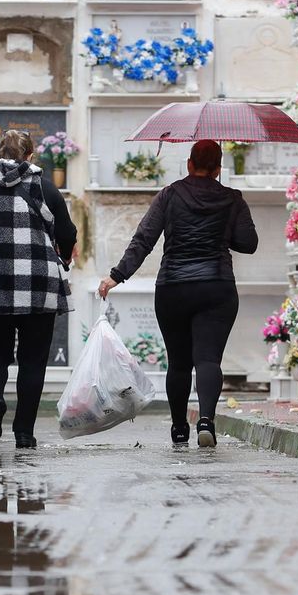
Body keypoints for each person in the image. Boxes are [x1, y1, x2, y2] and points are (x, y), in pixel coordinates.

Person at [99, 139, 257, 448]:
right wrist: (221, 230)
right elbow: (248, 243)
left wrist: (117, 275)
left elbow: (144, 239)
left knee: (180, 362)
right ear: (218, 168)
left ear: (189, 163)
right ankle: (207, 421)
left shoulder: (169, 195)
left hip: (173, 288)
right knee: (209, 359)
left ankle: (178, 426)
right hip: (217, 286)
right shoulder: (232, 199)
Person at [0, 129, 78, 449]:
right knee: (33, 360)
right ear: (30, 156)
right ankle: (24, 431)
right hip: (39, 286)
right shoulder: (46, 188)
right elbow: (67, 232)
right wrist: (64, 255)